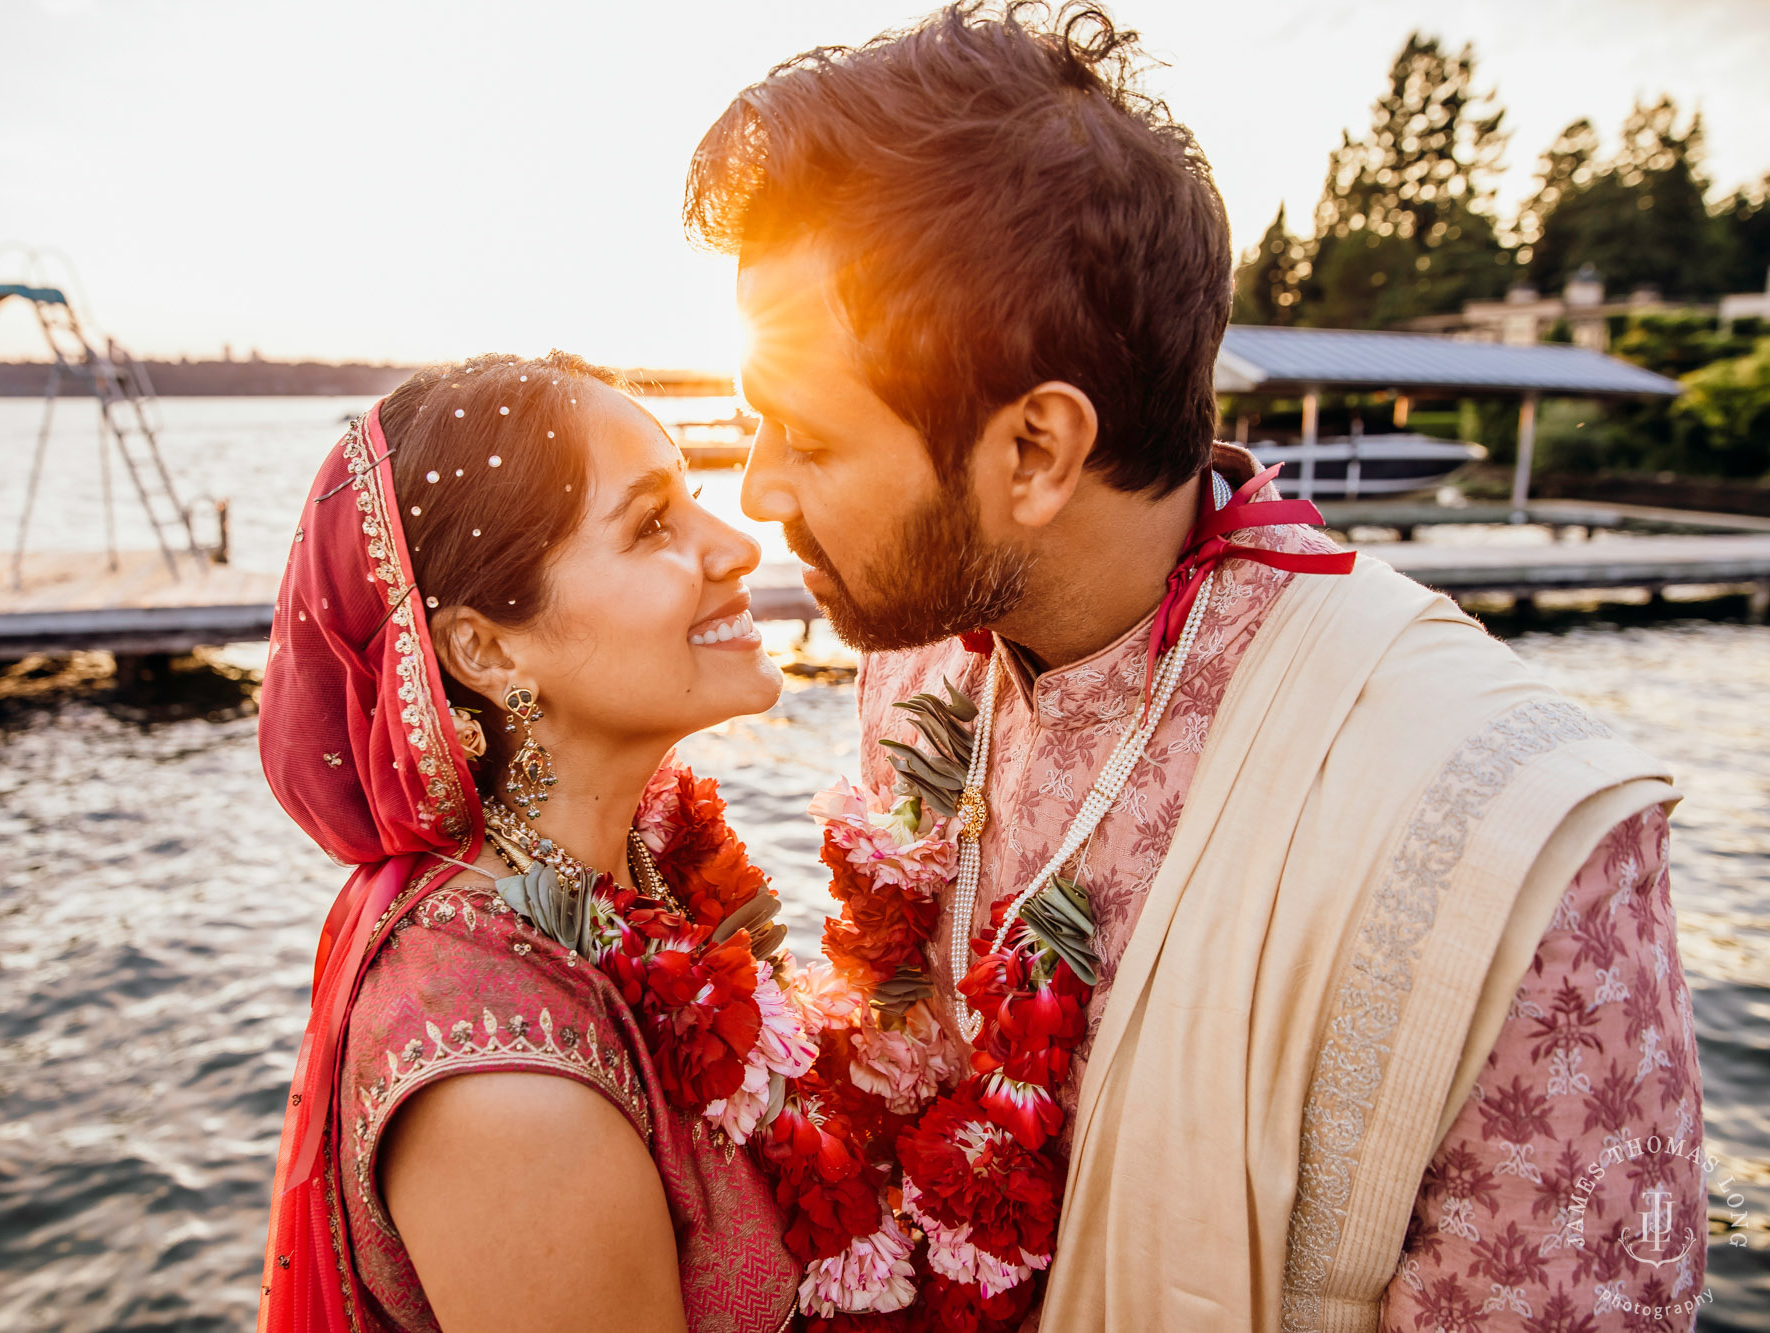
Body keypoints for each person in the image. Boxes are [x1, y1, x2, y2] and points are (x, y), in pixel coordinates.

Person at [688, 3, 1707, 1329]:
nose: (758, 491)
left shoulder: (1513, 833)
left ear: (1039, 451)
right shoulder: (922, 672)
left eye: (810, 441)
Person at [253, 353, 805, 1333]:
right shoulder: (501, 1085)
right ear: (488, 651)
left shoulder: (638, 865)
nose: (734, 547)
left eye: (696, 500)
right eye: (650, 526)